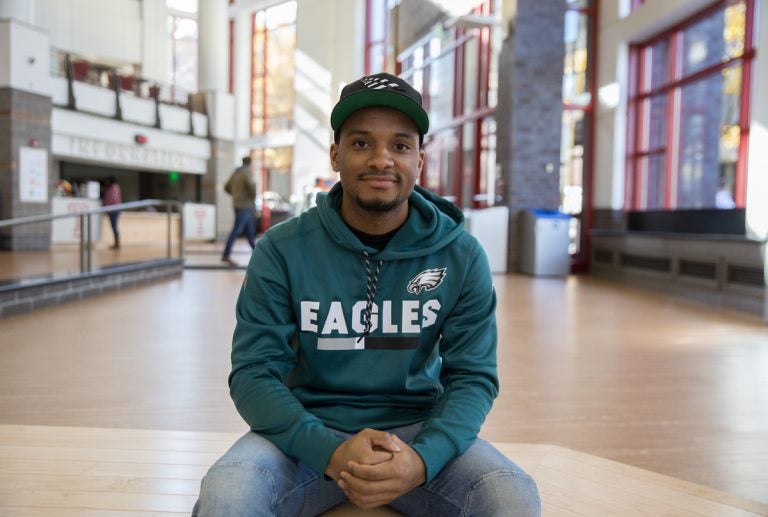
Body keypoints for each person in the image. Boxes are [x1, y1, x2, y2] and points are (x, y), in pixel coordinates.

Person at [193, 73, 540, 516]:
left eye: (399, 145)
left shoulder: (460, 254)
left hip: (418, 433)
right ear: (336, 155)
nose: (381, 159)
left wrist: (423, 459)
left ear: (419, 159)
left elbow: (473, 376)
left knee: (510, 496)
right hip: (304, 434)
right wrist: (328, 451)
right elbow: (253, 373)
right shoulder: (281, 249)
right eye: (361, 144)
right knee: (227, 495)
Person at [221, 156, 258, 266]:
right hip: (245, 205)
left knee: (250, 231)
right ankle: (226, 254)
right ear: (250, 163)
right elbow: (251, 187)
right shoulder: (247, 173)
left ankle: (258, 253)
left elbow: (226, 187)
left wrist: (236, 195)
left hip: (237, 204)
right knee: (236, 229)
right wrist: (251, 198)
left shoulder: (236, 173)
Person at [103, 176, 122, 250]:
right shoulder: (111, 187)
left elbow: (113, 199)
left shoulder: (114, 187)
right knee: (114, 226)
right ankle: (116, 244)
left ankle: (117, 244)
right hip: (112, 209)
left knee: (114, 226)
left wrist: (107, 207)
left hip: (114, 210)